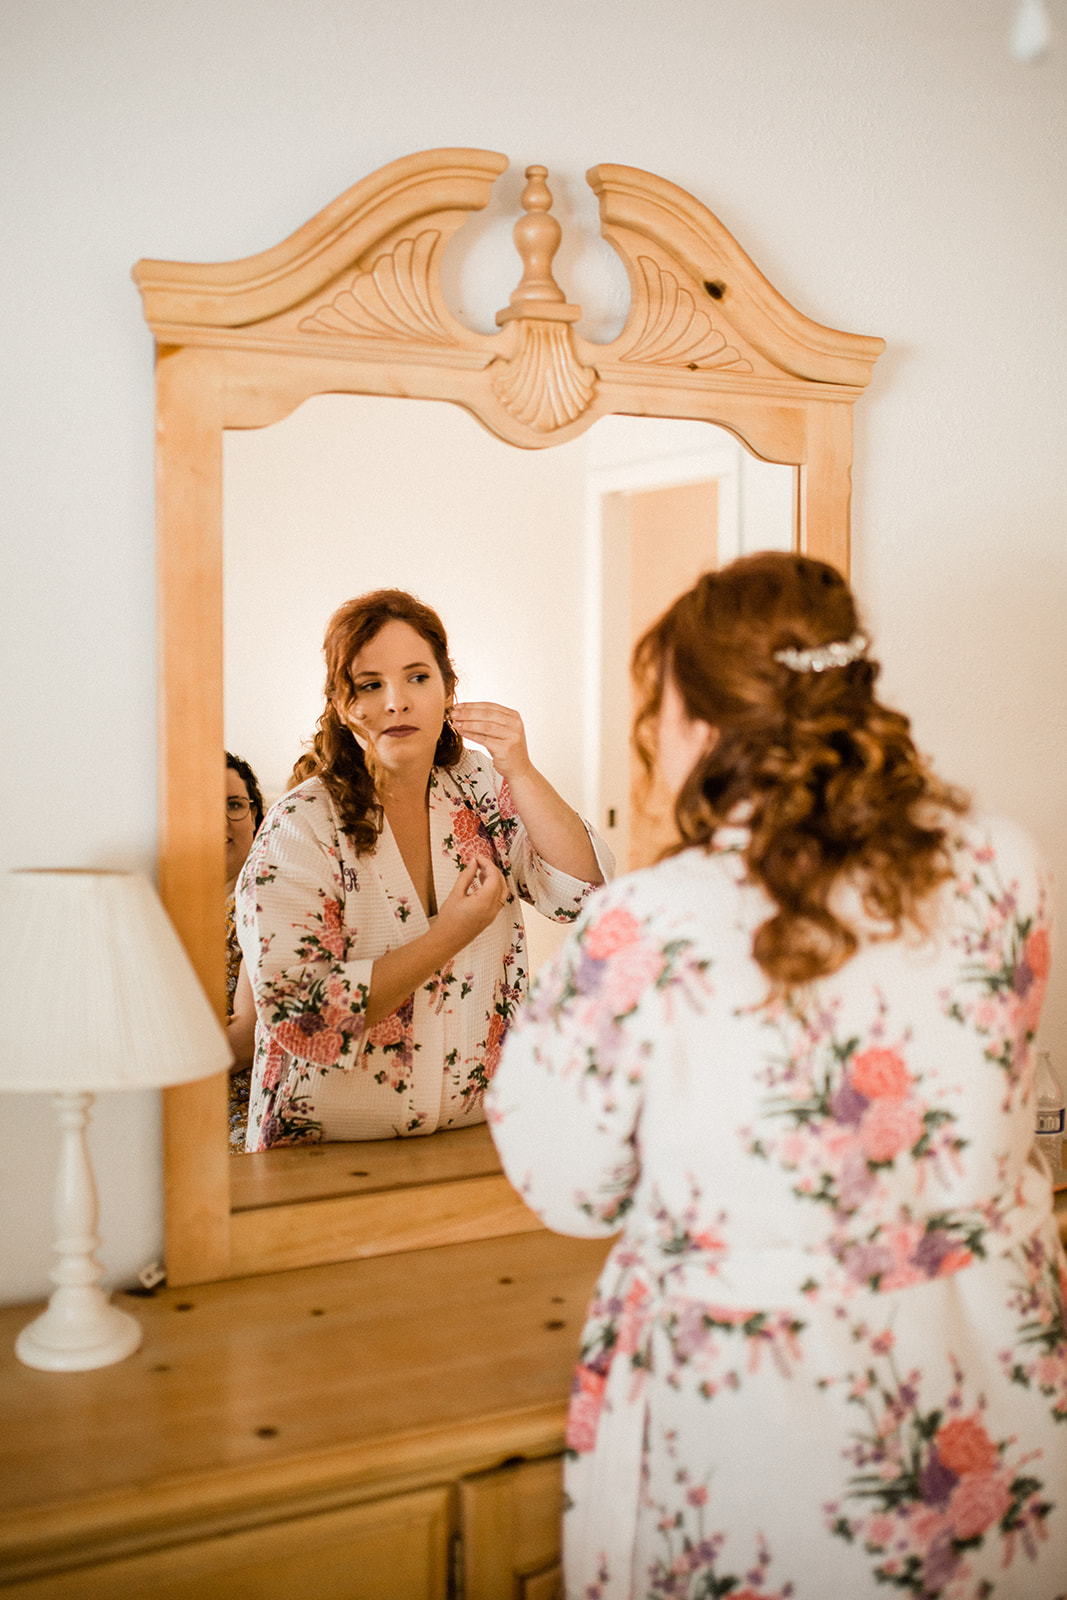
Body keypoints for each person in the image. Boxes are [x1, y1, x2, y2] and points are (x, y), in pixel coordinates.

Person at [487, 552, 1067, 1599]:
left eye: (657, 707)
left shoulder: (653, 924)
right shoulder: (1001, 863)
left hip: (768, 1430)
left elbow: (568, 1187)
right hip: (984, 1395)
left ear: (702, 727)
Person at [236, 588, 612, 1148]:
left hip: (477, 1136)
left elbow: (584, 898)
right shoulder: (302, 825)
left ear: (448, 690)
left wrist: (522, 771)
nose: (397, 701)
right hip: (325, 1153)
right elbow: (302, 1018)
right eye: (370, 685)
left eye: (417, 677)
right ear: (344, 706)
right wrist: (449, 935)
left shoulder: (482, 790)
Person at [225, 751, 265, 1153]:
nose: (221, 821)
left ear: (255, 817)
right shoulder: (159, 905)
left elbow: (244, 1037)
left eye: (235, 805)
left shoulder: (262, 901)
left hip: (242, 1104)